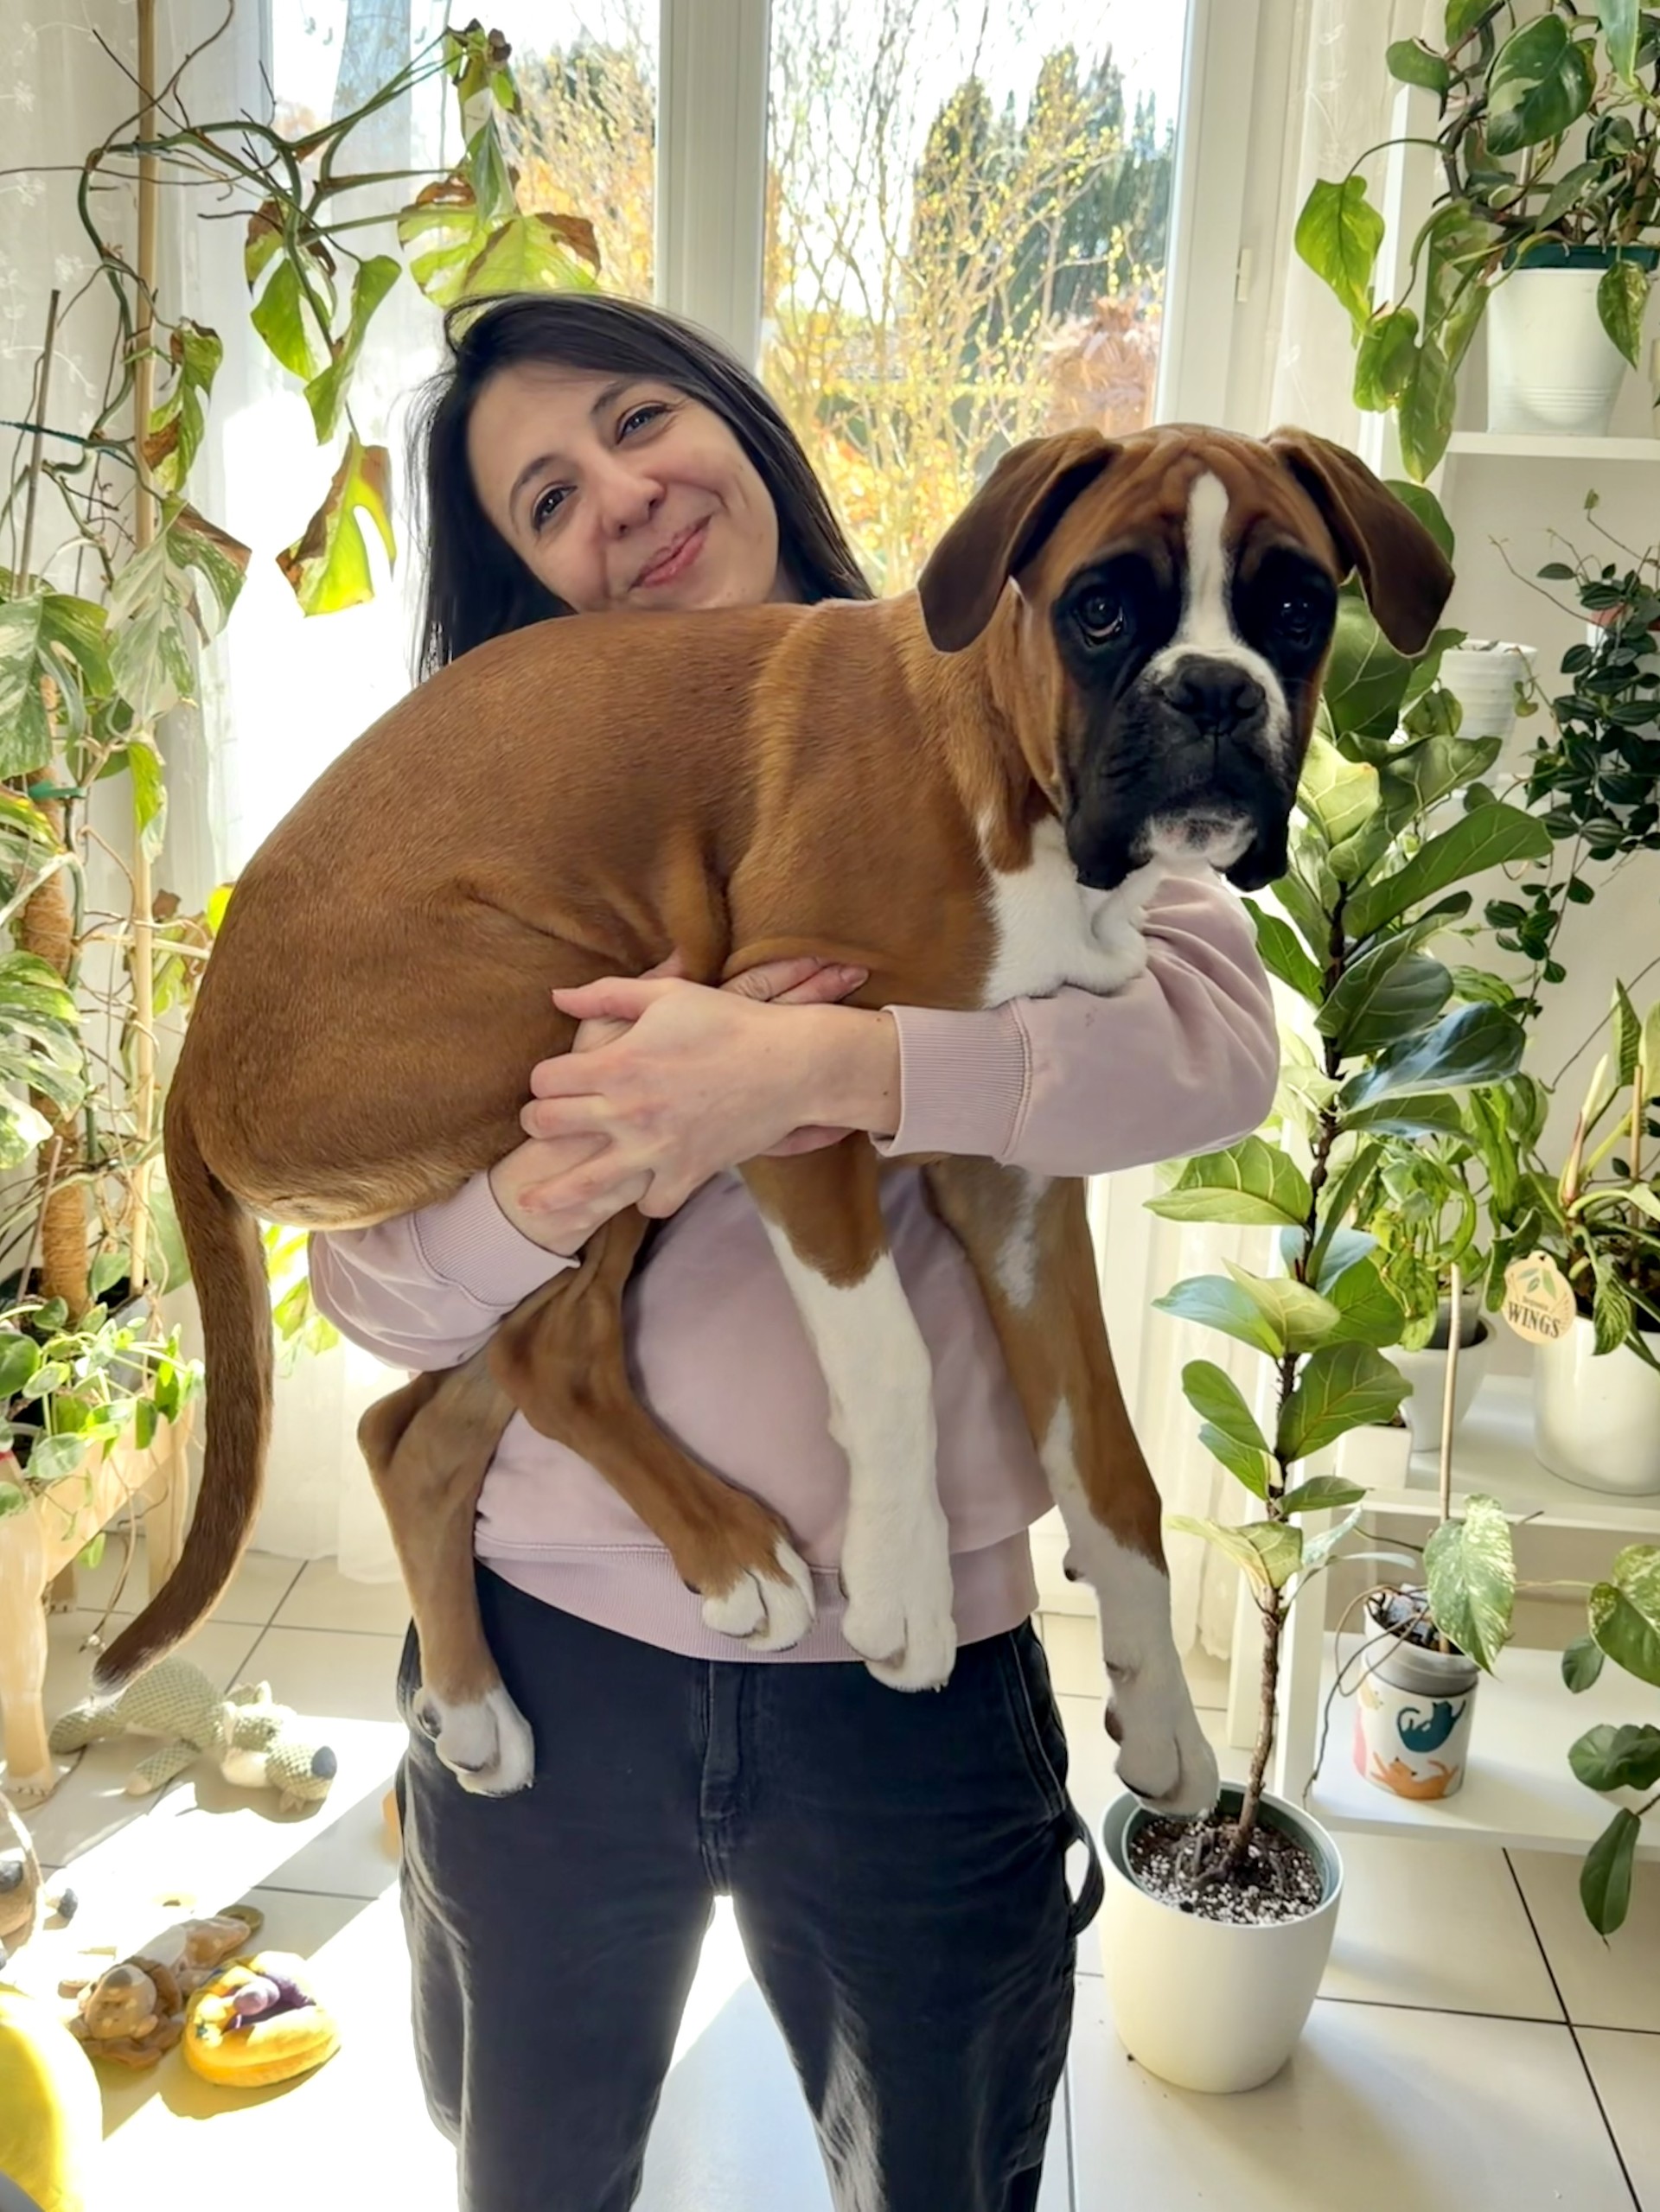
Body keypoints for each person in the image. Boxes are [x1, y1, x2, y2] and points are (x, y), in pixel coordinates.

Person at [309, 291, 1279, 2212]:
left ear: (739, 421)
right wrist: (580, 1164)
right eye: (548, 496)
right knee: (527, 2164)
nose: (624, 499)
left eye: (639, 419)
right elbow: (376, 1286)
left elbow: (1209, 1054)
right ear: (524, 582)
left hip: (910, 1684)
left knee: (938, 2166)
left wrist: (817, 1064)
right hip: (559, 1637)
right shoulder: (488, 819)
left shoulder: (1004, 678)